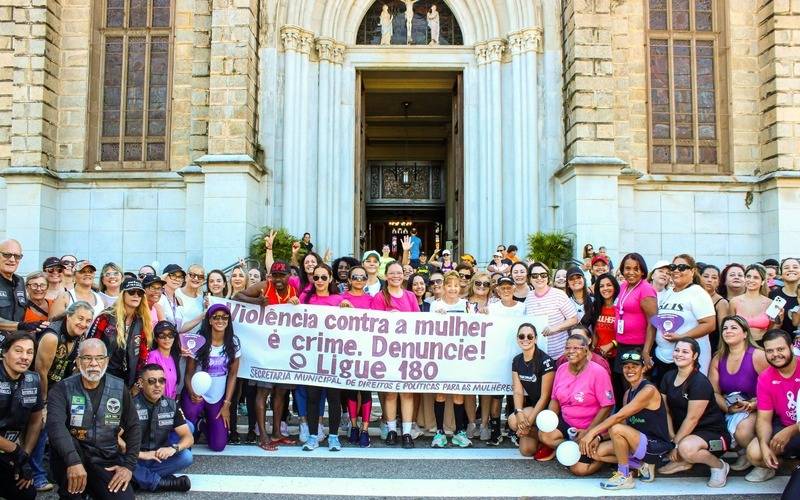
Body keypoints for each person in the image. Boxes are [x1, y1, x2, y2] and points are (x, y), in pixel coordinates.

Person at [46, 338, 140, 500]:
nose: (93, 363)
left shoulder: (119, 387)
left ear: (106, 361)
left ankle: (92, 489)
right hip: (71, 460)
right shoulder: (62, 389)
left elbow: (133, 426)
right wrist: (73, 461)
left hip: (105, 460)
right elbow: (55, 427)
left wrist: (128, 466)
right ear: (78, 361)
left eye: (99, 358)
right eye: (87, 358)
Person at [578, 350, 673, 490]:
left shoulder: (648, 390)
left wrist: (590, 433)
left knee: (615, 427)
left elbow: (619, 417)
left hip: (655, 446)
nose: (630, 370)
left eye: (635, 366)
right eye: (626, 366)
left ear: (644, 368)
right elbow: (624, 424)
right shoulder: (628, 393)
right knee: (596, 452)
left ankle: (624, 476)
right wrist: (598, 437)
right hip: (638, 442)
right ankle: (642, 466)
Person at [31, 301, 94, 491]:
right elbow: (40, 371)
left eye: (88, 320)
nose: (83, 323)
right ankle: (36, 475)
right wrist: (44, 403)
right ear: (69, 315)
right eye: (80, 318)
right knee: (42, 425)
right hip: (37, 388)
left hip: (58, 389)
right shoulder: (52, 336)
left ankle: (60, 468)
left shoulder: (79, 336)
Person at [235, 261, 298, 451]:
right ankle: (263, 435)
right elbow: (238, 295)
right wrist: (257, 302)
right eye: (275, 275)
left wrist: (295, 305)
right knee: (263, 392)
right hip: (264, 349)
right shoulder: (265, 286)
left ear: (289, 276)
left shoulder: (293, 291)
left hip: (283, 350)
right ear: (270, 276)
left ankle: (277, 432)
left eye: (282, 275)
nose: (279, 279)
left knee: (281, 392)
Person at [658, 338, 731, 487]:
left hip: (713, 435)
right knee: (673, 444)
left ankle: (719, 466)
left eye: (685, 352)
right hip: (687, 433)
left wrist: (676, 445)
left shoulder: (699, 382)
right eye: (677, 350)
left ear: (695, 356)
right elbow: (665, 411)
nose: (679, 354)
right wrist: (672, 436)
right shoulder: (668, 377)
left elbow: (692, 419)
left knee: (686, 448)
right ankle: (685, 462)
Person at [537, 334, 614, 474]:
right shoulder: (561, 369)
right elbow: (555, 399)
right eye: (567, 348)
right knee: (545, 435)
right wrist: (550, 421)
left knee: (578, 470)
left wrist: (589, 432)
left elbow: (607, 406)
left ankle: (598, 457)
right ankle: (573, 448)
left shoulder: (598, 372)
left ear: (586, 350)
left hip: (590, 426)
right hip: (569, 424)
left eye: (576, 348)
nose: (571, 351)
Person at [708, 315, 767, 471]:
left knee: (742, 431)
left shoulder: (757, 355)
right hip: (731, 407)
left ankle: (763, 462)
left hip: (758, 406)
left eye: (734, 327)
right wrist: (728, 408)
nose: (728, 331)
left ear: (745, 333)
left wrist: (755, 404)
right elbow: (713, 392)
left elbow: (773, 388)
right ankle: (744, 453)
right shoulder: (718, 359)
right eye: (725, 328)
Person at [371, 261, 420, 448]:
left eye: (399, 273)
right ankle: (392, 429)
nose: (396, 276)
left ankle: (406, 432)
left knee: (407, 393)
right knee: (390, 393)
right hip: (386, 351)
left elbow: (419, 322)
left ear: (404, 275)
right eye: (392, 273)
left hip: (407, 350)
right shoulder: (379, 297)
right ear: (386, 276)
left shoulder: (410, 296)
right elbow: (372, 324)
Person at [182, 304, 240, 452]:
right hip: (197, 393)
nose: (220, 320)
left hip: (217, 397)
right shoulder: (199, 340)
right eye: (216, 317)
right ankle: (193, 428)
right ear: (209, 320)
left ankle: (202, 424)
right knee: (190, 425)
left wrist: (226, 404)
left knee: (218, 445)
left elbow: (233, 374)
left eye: (224, 317)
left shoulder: (233, 342)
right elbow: (189, 373)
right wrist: (191, 393)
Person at [745, 329, 800, 482]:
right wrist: (764, 445)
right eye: (770, 351)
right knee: (755, 453)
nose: (775, 354)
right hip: (783, 425)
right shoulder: (765, 377)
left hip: (793, 428)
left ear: (791, 347)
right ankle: (788, 465)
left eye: (780, 349)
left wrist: (792, 430)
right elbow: (763, 418)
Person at [653, 254, 715, 384]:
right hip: (664, 358)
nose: (676, 270)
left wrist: (682, 336)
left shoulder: (698, 293)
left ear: (692, 271)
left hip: (688, 359)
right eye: (673, 266)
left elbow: (709, 324)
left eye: (682, 267)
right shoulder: (668, 292)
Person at [302, 264, 344, 452]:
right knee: (313, 397)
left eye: (323, 277)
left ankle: (334, 437)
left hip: (334, 354)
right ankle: (313, 436)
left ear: (330, 279)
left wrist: (348, 308)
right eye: (316, 277)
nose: (319, 281)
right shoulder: (306, 299)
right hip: (312, 354)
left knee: (334, 398)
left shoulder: (338, 299)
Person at [132, 363, 193, 492]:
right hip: (136, 457)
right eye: (152, 381)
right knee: (116, 459)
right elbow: (115, 440)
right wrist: (142, 454)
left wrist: (173, 448)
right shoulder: (130, 405)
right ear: (141, 383)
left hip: (157, 457)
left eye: (161, 380)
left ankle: (138, 480)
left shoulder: (171, 404)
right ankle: (161, 482)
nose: (158, 385)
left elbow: (188, 437)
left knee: (186, 457)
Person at [0, 332, 44, 500]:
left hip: (10, 452)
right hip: (11, 448)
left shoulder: (33, 379)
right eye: (18, 351)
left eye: (30, 352)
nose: (25, 357)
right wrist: (16, 451)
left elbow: (35, 421)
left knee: (26, 492)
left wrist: (24, 456)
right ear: (4, 352)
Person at [88, 278, 153, 389]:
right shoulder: (106, 317)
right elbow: (90, 345)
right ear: (123, 294)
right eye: (132, 292)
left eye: (140, 293)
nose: (136, 295)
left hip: (128, 381)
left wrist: (138, 382)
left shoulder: (142, 321)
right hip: (102, 377)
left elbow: (143, 356)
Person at [430, 271, 470, 448]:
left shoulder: (467, 305)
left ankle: (459, 432)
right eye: (449, 285)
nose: (453, 288)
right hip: (441, 354)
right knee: (440, 393)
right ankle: (439, 432)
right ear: (444, 287)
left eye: (456, 285)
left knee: (458, 394)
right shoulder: (435, 305)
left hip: (460, 355)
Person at [508, 323, 555, 457]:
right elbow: (517, 391)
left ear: (535, 339)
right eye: (521, 336)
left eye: (530, 336)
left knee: (516, 421)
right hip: (535, 407)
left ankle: (550, 439)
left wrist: (528, 422)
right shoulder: (517, 360)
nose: (525, 339)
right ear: (517, 339)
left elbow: (545, 396)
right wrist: (519, 413)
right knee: (526, 450)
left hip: (550, 409)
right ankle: (542, 438)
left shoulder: (545, 361)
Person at [523, 262, 578, 359]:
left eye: (543, 275)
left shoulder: (559, 294)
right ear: (530, 279)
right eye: (535, 276)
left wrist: (554, 328)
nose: (539, 278)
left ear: (548, 277)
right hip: (536, 355)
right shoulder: (529, 296)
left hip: (559, 355)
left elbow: (574, 319)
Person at [616, 253, 657, 371]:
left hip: (637, 347)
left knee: (635, 385)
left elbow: (653, 323)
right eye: (627, 268)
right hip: (622, 344)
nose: (631, 272)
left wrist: (646, 350)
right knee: (624, 386)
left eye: (636, 269)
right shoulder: (623, 286)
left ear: (643, 271)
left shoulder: (646, 289)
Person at [591, 273, 623, 403]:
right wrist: (593, 349)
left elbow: (625, 332)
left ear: (615, 287)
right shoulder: (596, 307)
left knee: (616, 389)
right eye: (602, 286)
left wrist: (612, 344)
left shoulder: (621, 307)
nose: (605, 288)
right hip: (599, 357)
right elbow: (595, 331)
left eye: (609, 285)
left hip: (616, 357)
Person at [729, 264, 775, 342]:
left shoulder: (770, 303)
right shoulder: (734, 301)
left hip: (763, 344)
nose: (751, 280)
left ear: (763, 282)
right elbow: (729, 326)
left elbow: (772, 328)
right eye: (748, 276)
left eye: (756, 277)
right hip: (740, 344)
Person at [0, 239, 32, 343]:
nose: (12, 260)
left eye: (17, 256)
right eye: (7, 255)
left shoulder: (20, 281)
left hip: (14, 345)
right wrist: (19, 326)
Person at [145, 321, 182, 399]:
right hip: (156, 404)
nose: (167, 338)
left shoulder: (173, 357)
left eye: (170, 335)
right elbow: (151, 386)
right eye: (162, 335)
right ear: (155, 338)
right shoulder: (153, 356)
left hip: (169, 405)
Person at [700, 264, 729, 353]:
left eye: (714, 278)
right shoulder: (692, 297)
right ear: (699, 278)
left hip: (711, 347)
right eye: (706, 276)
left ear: (719, 281)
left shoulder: (721, 302)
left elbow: (723, 330)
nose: (709, 280)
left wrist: (721, 351)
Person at [770, 257, 799, 336]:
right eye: (786, 268)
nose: (791, 270)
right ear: (781, 274)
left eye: (795, 267)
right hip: (781, 343)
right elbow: (770, 325)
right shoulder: (773, 295)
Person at [176, 264, 205, 334]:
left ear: (203, 280)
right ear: (186, 277)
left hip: (196, 341)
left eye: (200, 277)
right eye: (192, 275)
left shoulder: (202, 299)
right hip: (177, 341)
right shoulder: (176, 293)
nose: (196, 278)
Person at [158, 264, 186, 328]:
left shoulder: (178, 300)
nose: (177, 279)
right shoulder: (158, 296)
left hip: (174, 336)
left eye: (180, 277)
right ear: (164, 277)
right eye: (173, 275)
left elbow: (181, 328)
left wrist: (204, 314)